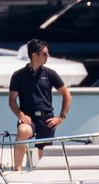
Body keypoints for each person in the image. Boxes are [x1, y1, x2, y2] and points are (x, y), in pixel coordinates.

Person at [8, 39, 72, 170]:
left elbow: (67, 94)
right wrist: (20, 114)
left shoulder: (50, 74)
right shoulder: (18, 75)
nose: (48, 56)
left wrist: (61, 118)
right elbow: (12, 100)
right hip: (28, 117)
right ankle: (17, 170)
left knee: (44, 154)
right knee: (22, 131)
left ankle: (44, 176)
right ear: (34, 55)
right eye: (45, 54)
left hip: (47, 119)